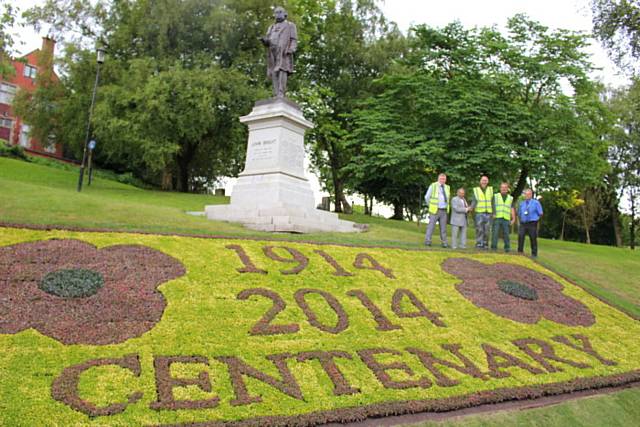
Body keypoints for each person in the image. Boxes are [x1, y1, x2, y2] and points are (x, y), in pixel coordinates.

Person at [260, 7, 298, 98]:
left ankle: (281, 92)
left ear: (285, 14)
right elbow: (268, 40)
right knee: (273, 72)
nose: (277, 14)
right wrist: (265, 41)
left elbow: (294, 39)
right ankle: (276, 93)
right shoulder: (271, 27)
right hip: (272, 52)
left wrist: (291, 49)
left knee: (282, 70)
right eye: (276, 13)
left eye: (280, 12)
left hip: (284, 51)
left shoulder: (290, 25)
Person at [424, 173, 450, 248]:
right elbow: (427, 197)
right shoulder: (433, 185)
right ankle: (427, 241)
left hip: (444, 210)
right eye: (441, 178)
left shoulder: (447, 187)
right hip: (435, 210)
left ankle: (444, 243)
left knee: (443, 228)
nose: (443, 180)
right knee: (431, 226)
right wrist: (430, 205)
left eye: (444, 179)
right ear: (438, 179)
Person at [517, 188, 543, 258]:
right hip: (523, 223)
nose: (527, 195)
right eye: (526, 194)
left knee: (533, 238)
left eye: (528, 194)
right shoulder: (521, 203)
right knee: (521, 236)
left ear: (531, 195)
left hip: (532, 223)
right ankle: (520, 252)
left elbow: (540, 213)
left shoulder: (536, 203)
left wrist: (536, 219)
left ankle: (534, 254)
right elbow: (519, 213)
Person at [491, 182, 516, 252]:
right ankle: (493, 247)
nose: (504, 189)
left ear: (508, 189)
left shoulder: (510, 198)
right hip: (497, 217)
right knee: (495, 233)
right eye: (502, 187)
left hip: (506, 218)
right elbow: (492, 206)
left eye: (505, 187)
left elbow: (512, 208)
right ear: (500, 188)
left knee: (506, 234)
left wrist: (513, 219)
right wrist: (493, 213)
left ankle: (507, 248)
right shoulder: (495, 196)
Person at [471, 176, 493, 249]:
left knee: (487, 230)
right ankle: (479, 243)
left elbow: (493, 202)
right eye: (483, 180)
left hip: (488, 213)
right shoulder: (476, 190)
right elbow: (474, 201)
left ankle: (485, 244)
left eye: (486, 180)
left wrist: (494, 212)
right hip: (479, 213)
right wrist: (471, 208)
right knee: (479, 229)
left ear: (488, 181)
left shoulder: (490, 190)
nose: (484, 182)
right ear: (480, 181)